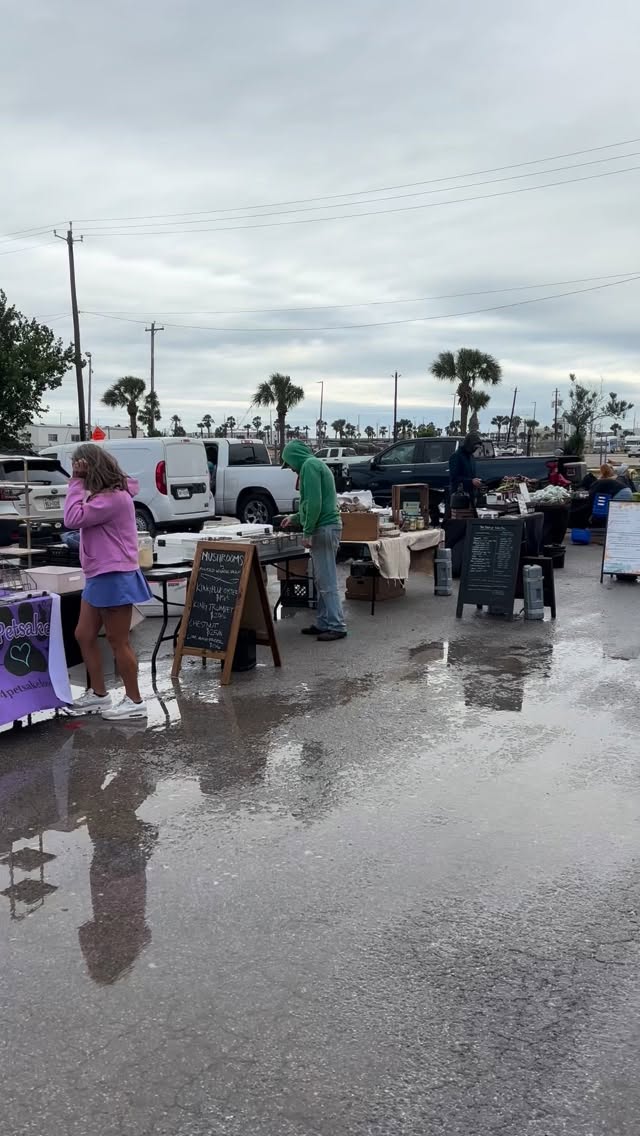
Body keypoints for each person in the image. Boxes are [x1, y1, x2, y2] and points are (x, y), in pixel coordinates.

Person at [63, 444, 152, 719]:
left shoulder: (113, 498)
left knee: (117, 640)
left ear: (89, 467)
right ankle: (99, 695)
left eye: (79, 467)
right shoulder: (105, 495)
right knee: (84, 634)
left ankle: (134, 700)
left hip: (113, 574)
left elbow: (71, 518)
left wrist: (76, 482)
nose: (76, 472)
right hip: (99, 574)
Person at [280, 440, 347, 642]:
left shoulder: (309, 466)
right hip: (328, 526)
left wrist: (307, 532)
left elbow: (314, 503)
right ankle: (324, 623)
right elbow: (311, 503)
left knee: (326, 580)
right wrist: (295, 517)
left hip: (323, 528)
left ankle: (336, 625)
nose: (291, 469)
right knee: (322, 578)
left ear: (295, 457)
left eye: (290, 464)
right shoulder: (314, 464)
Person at [448, 433, 483, 503]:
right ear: (469, 444)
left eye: (477, 448)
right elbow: (454, 478)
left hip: (470, 495)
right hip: (459, 497)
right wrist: (471, 481)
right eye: (475, 447)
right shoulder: (456, 456)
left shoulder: (471, 457)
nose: (475, 449)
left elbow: (471, 475)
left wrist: (476, 481)